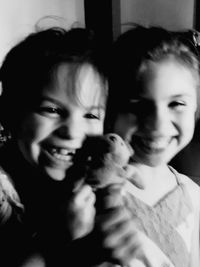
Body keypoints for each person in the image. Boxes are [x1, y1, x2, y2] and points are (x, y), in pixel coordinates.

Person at [0, 26, 109, 266]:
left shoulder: (93, 180)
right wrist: (58, 237)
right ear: (12, 114)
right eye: (51, 110)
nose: (72, 131)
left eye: (91, 116)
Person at [104, 25, 200, 266]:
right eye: (137, 104)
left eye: (177, 103)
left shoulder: (193, 195)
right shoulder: (94, 195)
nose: (158, 124)